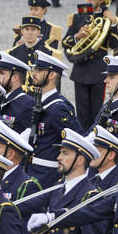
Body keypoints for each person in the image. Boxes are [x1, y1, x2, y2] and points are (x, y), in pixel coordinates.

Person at [63, 0, 118, 131]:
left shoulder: (107, 18)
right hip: (81, 69)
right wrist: (77, 36)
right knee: (82, 112)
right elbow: (65, 42)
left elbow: (114, 45)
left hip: (98, 70)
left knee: (97, 111)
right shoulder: (79, 16)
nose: (88, 1)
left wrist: (113, 24)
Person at [26, 51, 82, 189]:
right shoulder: (39, 101)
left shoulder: (58, 108)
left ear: (51, 75)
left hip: (48, 175)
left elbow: (77, 140)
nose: (34, 73)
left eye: (39, 70)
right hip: (32, 170)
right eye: (35, 69)